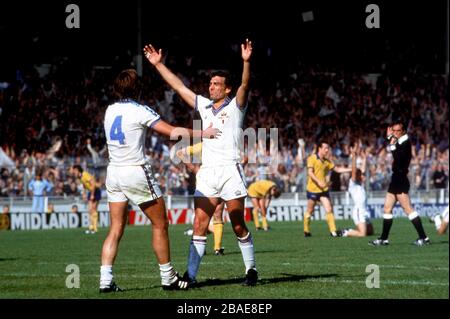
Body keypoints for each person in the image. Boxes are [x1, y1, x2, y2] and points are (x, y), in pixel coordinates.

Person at [144, 39, 258, 286]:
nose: (212, 87)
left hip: (230, 170)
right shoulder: (205, 106)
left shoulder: (236, 106)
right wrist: (159, 65)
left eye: (217, 84)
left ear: (227, 89)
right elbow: (179, 87)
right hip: (207, 173)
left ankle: (251, 270)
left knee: (237, 223)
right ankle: (191, 276)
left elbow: (246, 84)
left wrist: (246, 62)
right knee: (199, 223)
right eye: (210, 83)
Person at [99, 69, 219, 293]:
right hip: (135, 170)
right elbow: (172, 132)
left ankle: (105, 280)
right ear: (138, 89)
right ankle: (168, 277)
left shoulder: (110, 110)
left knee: (115, 228)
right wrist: (203, 133)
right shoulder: (140, 110)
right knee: (160, 223)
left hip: (113, 172)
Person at [370, 120, 430, 246]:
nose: (396, 133)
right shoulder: (400, 141)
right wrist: (390, 138)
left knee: (408, 209)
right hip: (395, 179)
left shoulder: (406, 143)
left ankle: (423, 237)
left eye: (398, 131)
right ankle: (384, 239)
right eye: (394, 131)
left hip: (401, 179)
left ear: (403, 132)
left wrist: (391, 145)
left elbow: (399, 158)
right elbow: (396, 149)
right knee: (387, 208)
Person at [177, 143, 226, 256]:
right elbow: (180, 153)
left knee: (218, 214)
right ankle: (200, 246)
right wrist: (194, 168)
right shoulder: (203, 145)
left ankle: (217, 248)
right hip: (205, 184)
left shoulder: (224, 144)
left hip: (220, 181)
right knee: (202, 218)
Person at [304, 140, 352, 237]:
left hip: (323, 190)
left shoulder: (327, 162)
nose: (327, 150)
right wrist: (318, 182)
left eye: (328, 148)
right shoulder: (312, 158)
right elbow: (310, 172)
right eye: (325, 148)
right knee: (310, 211)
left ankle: (333, 231)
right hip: (312, 189)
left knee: (329, 208)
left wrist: (351, 169)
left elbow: (337, 170)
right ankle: (306, 231)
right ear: (320, 149)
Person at [342, 143, 374, 237]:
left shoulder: (360, 184)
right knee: (362, 234)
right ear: (358, 177)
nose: (364, 176)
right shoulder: (353, 183)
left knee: (370, 232)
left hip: (365, 211)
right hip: (359, 211)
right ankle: (346, 232)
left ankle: (356, 230)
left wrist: (364, 158)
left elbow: (362, 170)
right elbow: (354, 170)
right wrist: (354, 157)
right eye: (362, 175)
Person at [71, 165, 100, 234]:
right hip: (91, 191)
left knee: (93, 209)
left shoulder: (85, 174)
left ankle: (95, 228)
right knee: (90, 210)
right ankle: (91, 227)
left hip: (95, 191)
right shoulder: (80, 177)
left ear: (78, 170)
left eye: (75, 170)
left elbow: (93, 184)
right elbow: (84, 185)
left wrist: (92, 195)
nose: (74, 172)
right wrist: (84, 194)